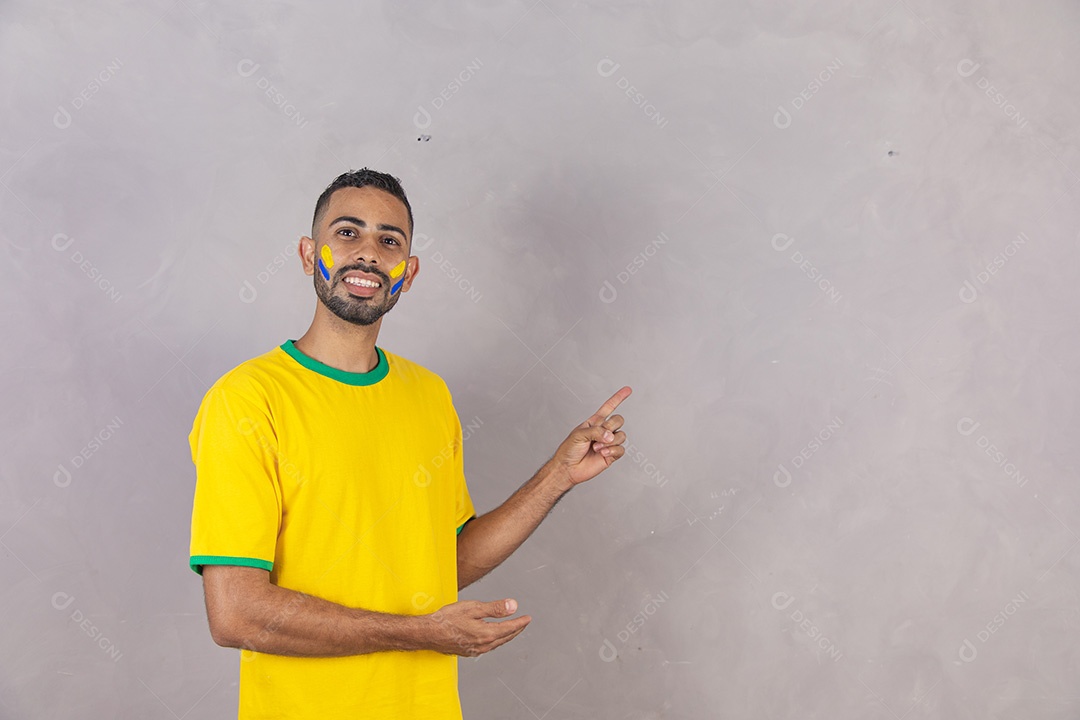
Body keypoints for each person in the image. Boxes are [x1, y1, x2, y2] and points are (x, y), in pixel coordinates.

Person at [188, 167, 631, 719]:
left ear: (409, 271)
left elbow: (445, 562)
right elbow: (236, 614)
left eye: (389, 240)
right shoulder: (248, 399)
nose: (369, 252)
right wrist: (420, 632)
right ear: (308, 254)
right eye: (347, 232)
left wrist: (557, 476)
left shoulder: (428, 395)